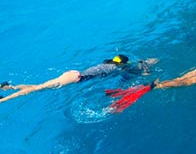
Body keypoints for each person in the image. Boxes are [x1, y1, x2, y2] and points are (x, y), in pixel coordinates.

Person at [0, 55, 158, 103]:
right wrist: (144, 69)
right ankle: (3, 100)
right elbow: (126, 72)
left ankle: (6, 88)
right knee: (35, 90)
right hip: (74, 78)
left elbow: (125, 66)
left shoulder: (109, 63)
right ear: (122, 64)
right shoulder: (115, 68)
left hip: (73, 74)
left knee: (38, 86)